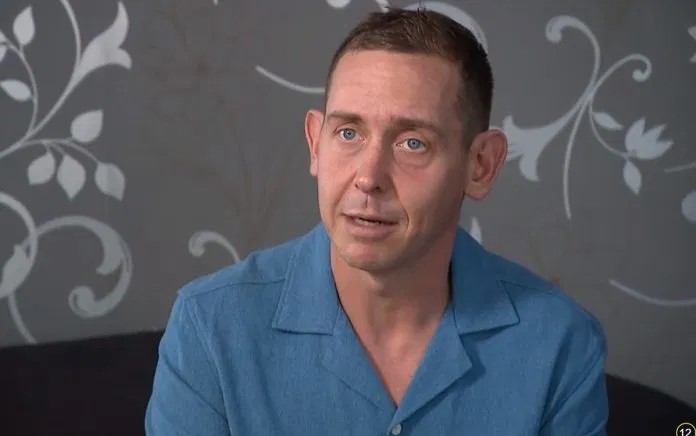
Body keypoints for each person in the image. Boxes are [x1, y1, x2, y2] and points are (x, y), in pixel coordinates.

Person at [145, 7, 608, 435]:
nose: (368, 177)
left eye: (412, 143)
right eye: (348, 132)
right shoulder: (209, 330)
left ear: (481, 165)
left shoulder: (560, 344)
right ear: (316, 144)